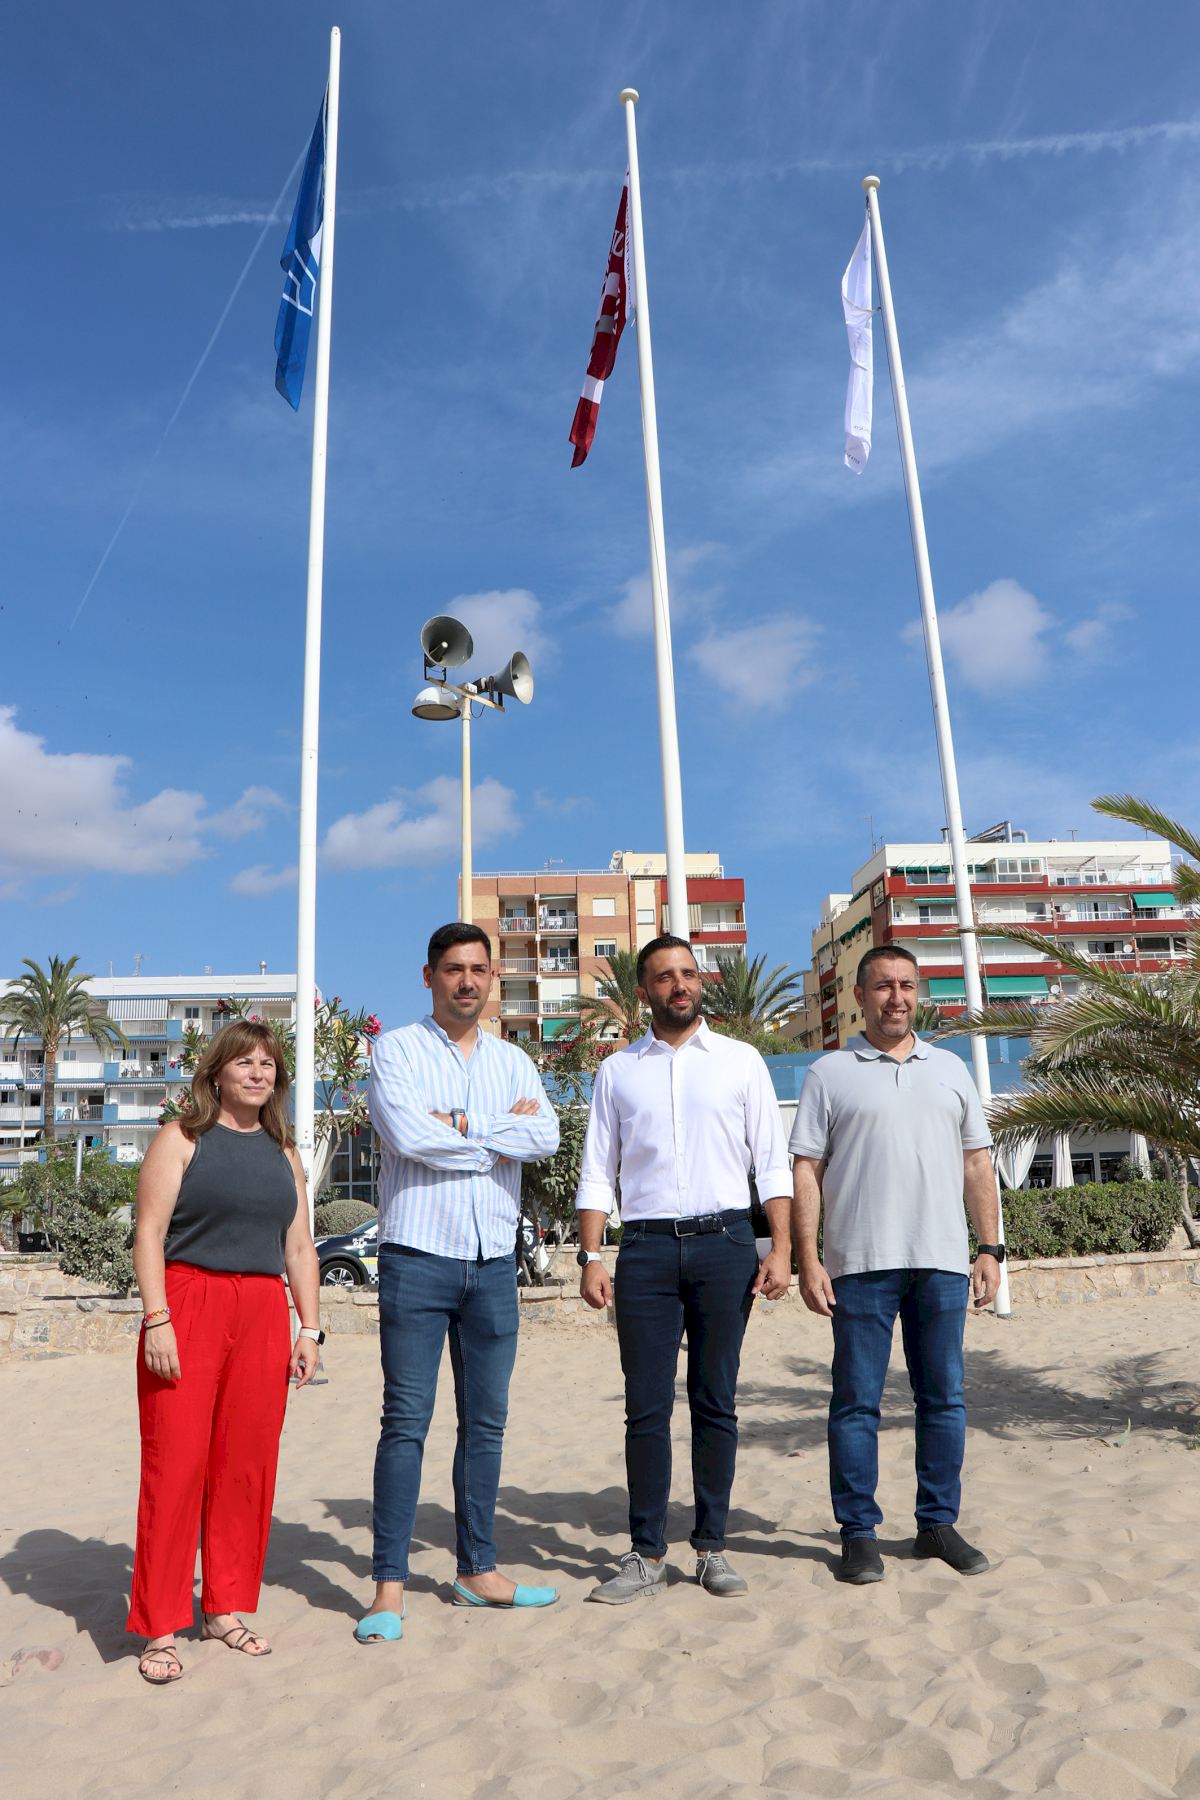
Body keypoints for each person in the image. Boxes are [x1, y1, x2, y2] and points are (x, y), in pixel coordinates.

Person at [356, 923, 561, 1644]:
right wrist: (496, 1138)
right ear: (429, 976)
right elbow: (407, 1135)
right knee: (405, 1423)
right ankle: (388, 1588)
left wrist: (464, 1125)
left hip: (494, 1262)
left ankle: (478, 1570)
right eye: (453, 969)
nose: (467, 981)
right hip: (417, 1256)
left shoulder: (513, 1060)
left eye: (478, 969)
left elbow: (547, 1137)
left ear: (492, 976)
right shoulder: (396, 1051)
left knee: (486, 1425)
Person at [576, 935, 792, 1605]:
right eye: (666, 976)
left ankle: (711, 1548)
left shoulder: (741, 1062)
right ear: (644, 991)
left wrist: (781, 1248)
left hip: (725, 1245)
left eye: (689, 974)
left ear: (701, 983)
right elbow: (597, 1169)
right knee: (644, 1407)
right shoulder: (617, 1072)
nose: (680, 985)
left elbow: (772, 1163)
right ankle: (646, 1554)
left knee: (714, 1400)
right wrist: (591, 1255)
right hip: (643, 1251)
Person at [789, 945, 1003, 1585]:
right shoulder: (829, 1072)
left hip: (941, 1261)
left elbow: (977, 1163)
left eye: (906, 985)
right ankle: (858, 1533)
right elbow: (807, 1170)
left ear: (918, 992)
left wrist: (989, 1248)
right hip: (859, 1263)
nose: (896, 998)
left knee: (944, 1399)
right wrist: (808, 1259)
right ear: (860, 996)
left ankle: (937, 1525)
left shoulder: (951, 1069)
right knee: (856, 1402)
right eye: (883, 986)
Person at [128, 1019, 321, 1684]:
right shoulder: (181, 1138)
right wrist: (158, 1319)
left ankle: (224, 1607)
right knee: (175, 1466)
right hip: (188, 1302)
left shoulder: (284, 1152)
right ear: (217, 1072)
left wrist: (309, 1329)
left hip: (264, 1309)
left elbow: (299, 1247)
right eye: (245, 1062)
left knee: (246, 1466)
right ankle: (160, 1626)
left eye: (268, 1064)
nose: (259, 1072)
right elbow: (148, 1234)